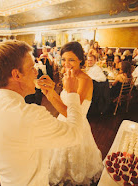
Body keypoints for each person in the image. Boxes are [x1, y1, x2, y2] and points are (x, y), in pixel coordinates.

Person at [0, 40, 84, 186]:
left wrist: (51, 95)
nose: (36, 72)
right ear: (17, 75)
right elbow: (76, 135)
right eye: (31, 68)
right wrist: (72, 93)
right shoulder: (30, 116)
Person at [47, 42, 103, 185]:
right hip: (62, 122)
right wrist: (50, 92)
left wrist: (50, 94)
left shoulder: (84, 80)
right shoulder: (68, 75)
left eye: (71, 59)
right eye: (64, 59)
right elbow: (64, 102)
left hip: (76, 125)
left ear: (80, 60)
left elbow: (71, 113)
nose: (66, 63)